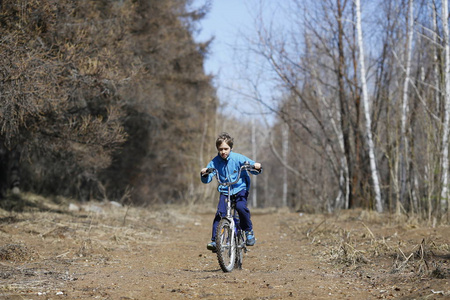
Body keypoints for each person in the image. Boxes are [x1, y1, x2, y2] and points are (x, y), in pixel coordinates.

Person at [200, 132, 262, 252]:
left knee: (241, 207)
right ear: (217, 149)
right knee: (220, 213)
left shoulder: (238, 158)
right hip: (225, 190)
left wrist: (256, 166)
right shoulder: (215, 162)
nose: (223, 152)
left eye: (226, 149)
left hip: (240, 188)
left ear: (231, 148)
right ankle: (214, 240)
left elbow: (252, 167)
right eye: (220, 149)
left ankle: (248, 231)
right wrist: (205, 173)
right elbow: (207, 179)